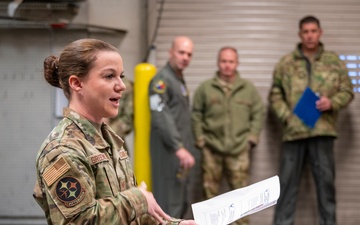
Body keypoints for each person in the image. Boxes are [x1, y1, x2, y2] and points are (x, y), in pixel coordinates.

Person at [33, 38, 197, 225]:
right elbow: (82, 220)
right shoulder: (62, 149)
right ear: (77, 84)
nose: (122, 85)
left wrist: (175, 224)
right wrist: (138, 199)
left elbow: (131, 216)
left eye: (121, 76)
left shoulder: (111, 140)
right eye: (109, 76)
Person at [268, 15, 354, 225]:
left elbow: (347, 91)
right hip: (293, 133)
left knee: (326, 187)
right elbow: (275, 94)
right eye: (305, 32)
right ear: (300, 34)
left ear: (320, 32)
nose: (309, 35)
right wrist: (287, 117)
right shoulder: (286, 63)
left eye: (313, 31)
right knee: (286, 188)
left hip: (322, 132)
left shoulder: (334, 61)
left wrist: (332, 102)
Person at [191, 46, 265, 225]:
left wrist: (251, 139)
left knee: (241, 199)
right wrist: (201, 140)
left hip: (239, 151)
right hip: (211, 150)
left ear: (237, 63)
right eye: (224, 61)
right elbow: (196, 115)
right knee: (209, 199)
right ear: (218, 63)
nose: (227, 65)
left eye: (231, 61)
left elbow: (258, 113)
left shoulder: (248, 89)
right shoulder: (206, 88)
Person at [148, 36, 199, 218]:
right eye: (181, 52)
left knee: (180, 202)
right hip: (168, 152)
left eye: (189, 54)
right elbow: (161, 115)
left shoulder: (178, 79)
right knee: (168, 206)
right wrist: (178, 147)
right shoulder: (161, 81)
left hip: (180, 152)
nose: (185, 57)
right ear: (171, 52)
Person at [107, 76, 133, 152]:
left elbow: (129, 118)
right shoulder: (89, 81)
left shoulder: (124, 85)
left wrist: (106, 130)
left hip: (115, 145)